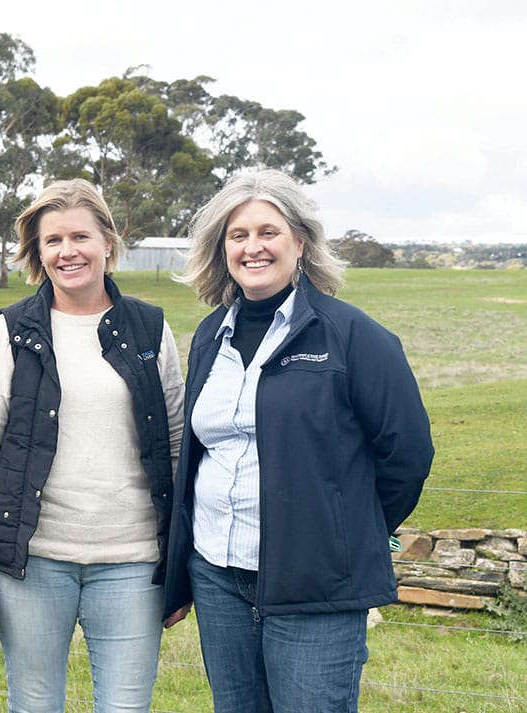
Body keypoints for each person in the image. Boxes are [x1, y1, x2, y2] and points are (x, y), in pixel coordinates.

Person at [162, 169, 434, 713]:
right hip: (216, 576)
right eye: (238, 235)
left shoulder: (353, 336)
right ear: (222, 249)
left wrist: (341, 532)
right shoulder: (211, 337)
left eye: (269, 232)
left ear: (301, 242)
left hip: (316, 585)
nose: (253, 247)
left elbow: (407, 455)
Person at [0, 178, 186, 712]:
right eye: (53, 240)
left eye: (80, 236)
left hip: (133, 564)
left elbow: (176, 447)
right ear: (38, 252)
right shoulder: (11, 331)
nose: (68, 251)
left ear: (107, 241)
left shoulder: (150, 329)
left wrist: (178, 566)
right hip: (33, 563)